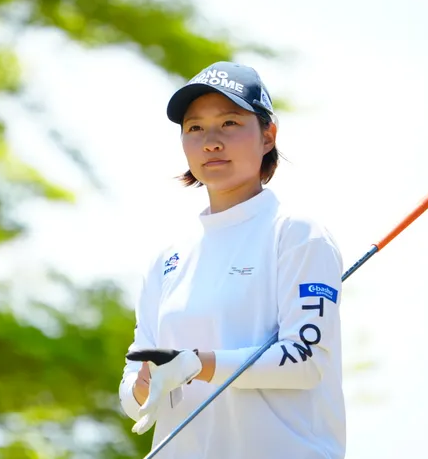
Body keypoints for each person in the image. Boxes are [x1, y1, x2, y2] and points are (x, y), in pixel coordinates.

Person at [118, 61, 346, 459]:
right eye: (195, 128)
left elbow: (305, 361)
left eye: (229, 123)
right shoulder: (167, 257)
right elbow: (134, 393)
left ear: (267, 136)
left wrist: (197, 364)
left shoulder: (296, 234)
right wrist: (143, 385)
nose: (211, 141)